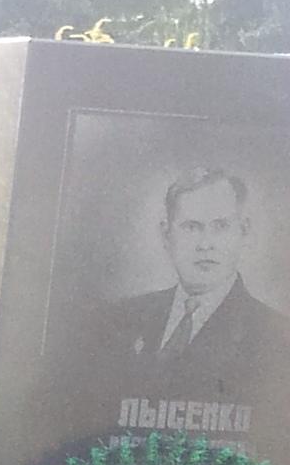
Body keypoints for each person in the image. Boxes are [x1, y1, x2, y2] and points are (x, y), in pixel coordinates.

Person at [105, 167, 287, 400]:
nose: (205, 244)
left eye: (220, 226)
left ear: (243, 232)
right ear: (166, 234)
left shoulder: (276, 336)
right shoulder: (121, 319)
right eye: (191, 227)